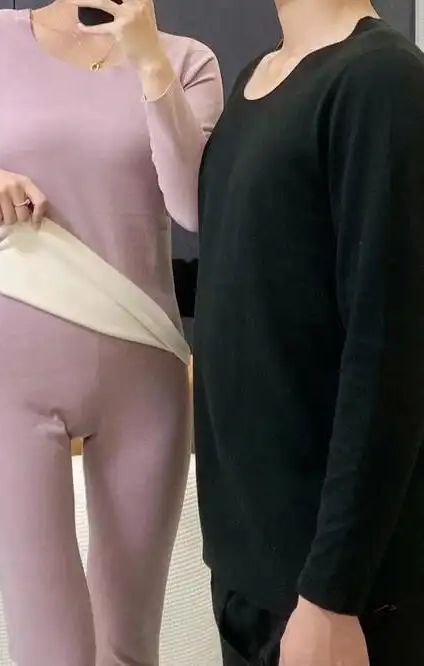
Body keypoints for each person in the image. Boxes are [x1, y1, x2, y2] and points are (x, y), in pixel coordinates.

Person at [0, 1, 223, 664]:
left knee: (129, 645)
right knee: (49, 648)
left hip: (144, 370)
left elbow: (193, 206)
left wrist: (149, 62)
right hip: (11, 373)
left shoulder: (186, 61)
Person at [193, 0, 424, 664]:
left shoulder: (383, 80)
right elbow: (253, 278)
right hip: (246, 567)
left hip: (334, 591)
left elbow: (391, 350)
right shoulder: (254, 79)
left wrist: (331, 595)